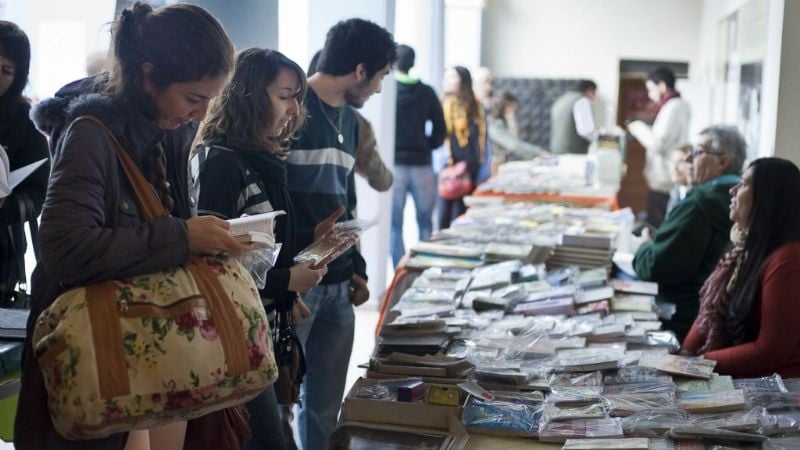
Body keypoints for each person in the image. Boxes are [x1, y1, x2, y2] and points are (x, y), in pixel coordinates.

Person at [15, 4, 245, 450]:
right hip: (96, 349)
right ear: (147, 75)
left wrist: (201, 237)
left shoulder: (168, 130)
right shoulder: (90, 133)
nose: (201, 115)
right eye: (194, 99)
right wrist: (183, 235)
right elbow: (65, 249)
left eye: (210, 101)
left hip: (152, 341)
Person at [194, 48, 326, 450]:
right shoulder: (222, 162)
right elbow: (213, 264)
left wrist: (291, 285)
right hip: (234, 339)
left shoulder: (261, 160)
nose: (293, 108)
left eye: (296, 97)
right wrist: (286, 281)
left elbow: (259, 248)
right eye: (285, 95)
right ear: (248, 95)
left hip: (263, 328)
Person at [285, 18, 396, 450]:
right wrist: (285, 282)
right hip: (296, 289)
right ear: (361, 70)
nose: (379, 89)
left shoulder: (350, 121)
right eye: (381, 77)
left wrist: (358, 267)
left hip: (338, 284)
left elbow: (345, 203)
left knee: (326, 409)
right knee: (282, 403)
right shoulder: (289, 108)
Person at [681, 158, 800, 377]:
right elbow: (708, 313)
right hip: (740, 376)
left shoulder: (788, 259)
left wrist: (697, 363)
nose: (732, 190)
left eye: (743, 184)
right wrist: (684, 354)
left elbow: (771, 350)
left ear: (768, 199)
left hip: (776, 391)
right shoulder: (744, 249)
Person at [633, 125, 745, 342]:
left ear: (723, 162)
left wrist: (645, 246)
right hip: (716, 320)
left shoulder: (701, 202)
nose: (689, 158)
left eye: (698, 151)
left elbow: (658, 266)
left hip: (683, 320)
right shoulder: (734, 198)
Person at [0, 21, 50, 308]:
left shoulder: (25, 120)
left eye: (6, 70)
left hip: (3, 255)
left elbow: (39, 195)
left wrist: (6, 205)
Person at [391, 44, 446, 266]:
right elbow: (441, 130)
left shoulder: (388, 92)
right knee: (425, 221)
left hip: (394, 163)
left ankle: (399, 270)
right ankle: (424, 268)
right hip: (422, 162)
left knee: (395, 224)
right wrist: (427, 145)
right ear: (413, 63)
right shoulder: (427, 92)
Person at [628, 66, 691, 228]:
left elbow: (658, 144)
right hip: (664, 176)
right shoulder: (675, 105)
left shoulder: (673, 106)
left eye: (651, 89)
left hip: (664, 178)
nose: (650, 94)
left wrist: (637, 127)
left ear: (662, 85)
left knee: (656, 224)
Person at [438, 65, 486, 230]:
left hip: (469, 167)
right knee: (443, 214)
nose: (447, 81)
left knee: (462, 214)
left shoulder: (474, 106)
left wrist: (474, 166)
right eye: (447, 77)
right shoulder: (442, 105)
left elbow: (480, 138)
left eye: (453, 77)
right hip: (448, 167)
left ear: (463, 81)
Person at [488, 90, 546, 174]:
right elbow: (514, 144)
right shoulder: (494, 124)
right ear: (505, 106)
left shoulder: (500, 122)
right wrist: (538, 152)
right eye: (512, 109)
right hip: (492, 166)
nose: (513, 113)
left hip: (499, 163)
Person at [549, 79, 597, 154]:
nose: (595, 97)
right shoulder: (581, 101)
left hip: (557, 150)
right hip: (573, 154)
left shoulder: (562, 99)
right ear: (589, 90)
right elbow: (586, 131)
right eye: (594, 93)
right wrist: (603, 140)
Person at [665, 144, 691, 215]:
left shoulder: (696, 194)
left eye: (680, 162)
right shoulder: (676, 190)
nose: (674, 167)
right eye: (672, 161)